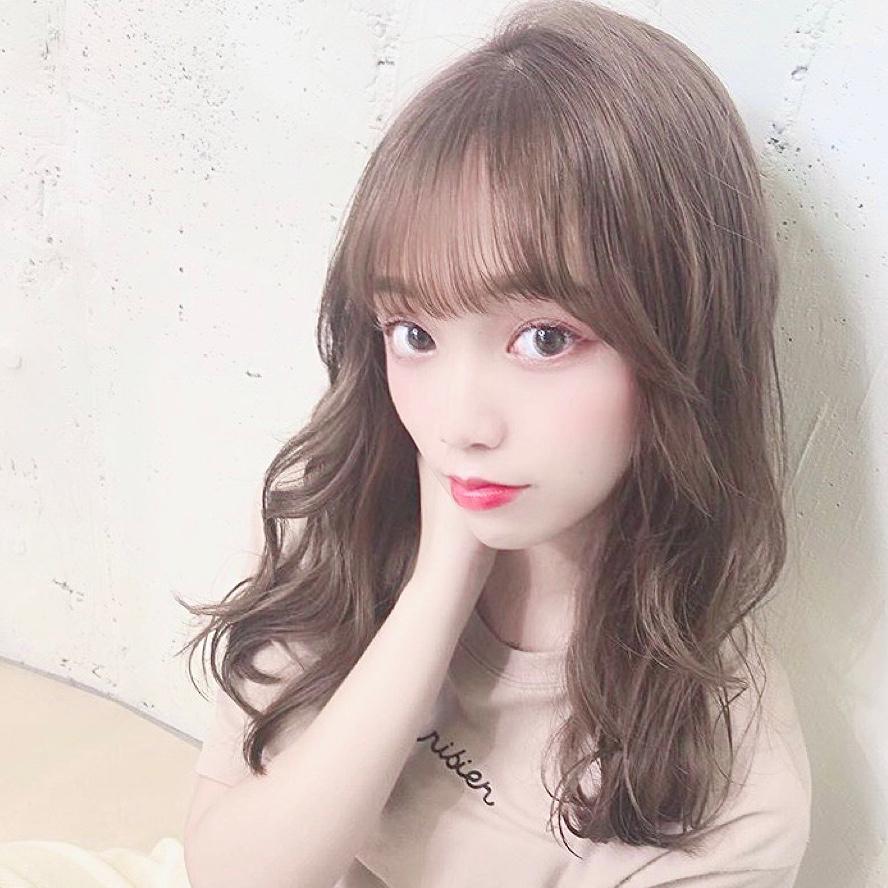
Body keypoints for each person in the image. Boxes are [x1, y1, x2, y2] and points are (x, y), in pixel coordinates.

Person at [177, 1, 812, 886]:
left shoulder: (726, 782)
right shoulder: (336, 524)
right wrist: (440, 588)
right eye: (414, 333)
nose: (459, 424)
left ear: (685, 336)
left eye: (545, 339)